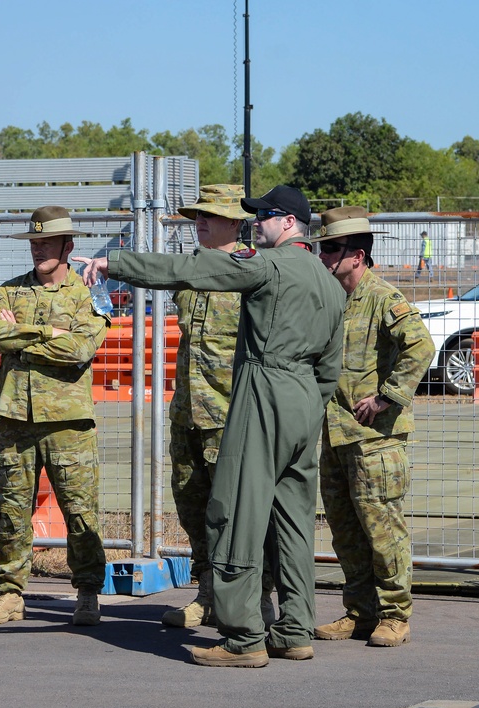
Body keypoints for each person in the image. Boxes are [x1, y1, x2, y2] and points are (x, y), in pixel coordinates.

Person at [76, 185, 345, 667]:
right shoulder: (328, 281)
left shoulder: (268, 266)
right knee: (295, 520)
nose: (255, 224)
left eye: (262, 216)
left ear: (288, 223)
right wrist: (306, 403)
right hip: (306, 399)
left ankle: (243, 638)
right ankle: (295, 628)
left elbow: (189, 268)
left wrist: (116, 264)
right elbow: (331, 366)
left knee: (237, 510)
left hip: (265, 387)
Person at [0, 205, 110, 627]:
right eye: (34, 243)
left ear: (69, 246)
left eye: (47, 242)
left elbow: (81, 350)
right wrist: (50, 332)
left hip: (68, 423)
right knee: (12, 510)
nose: (38, 250)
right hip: (16, 420)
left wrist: (21, 339)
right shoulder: (9, 292)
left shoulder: (90, 293)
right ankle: (10, 593)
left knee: (79, 512)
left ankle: (88, 591)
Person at [313, 206, 435, 647]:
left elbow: (420, 346)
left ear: (357, 255)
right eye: (320, 248)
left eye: (331, 248)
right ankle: (360, 611)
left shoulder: (384, 298)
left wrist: (388, 396)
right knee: (346, 531)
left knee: (383, 529)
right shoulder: (330, 298)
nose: (323, 256)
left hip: (375, 440)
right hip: (335, 434)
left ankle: (394, 614)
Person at [158, 184, 270, 629]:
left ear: (234, 223)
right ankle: (206, 593)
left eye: (208, 214)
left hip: (230, 417)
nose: (198, 221)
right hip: (188, 414)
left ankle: (252, 599)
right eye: (195, 215)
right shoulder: (191, 273)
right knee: (192, 505)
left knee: (238, 513)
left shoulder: (256, 270)